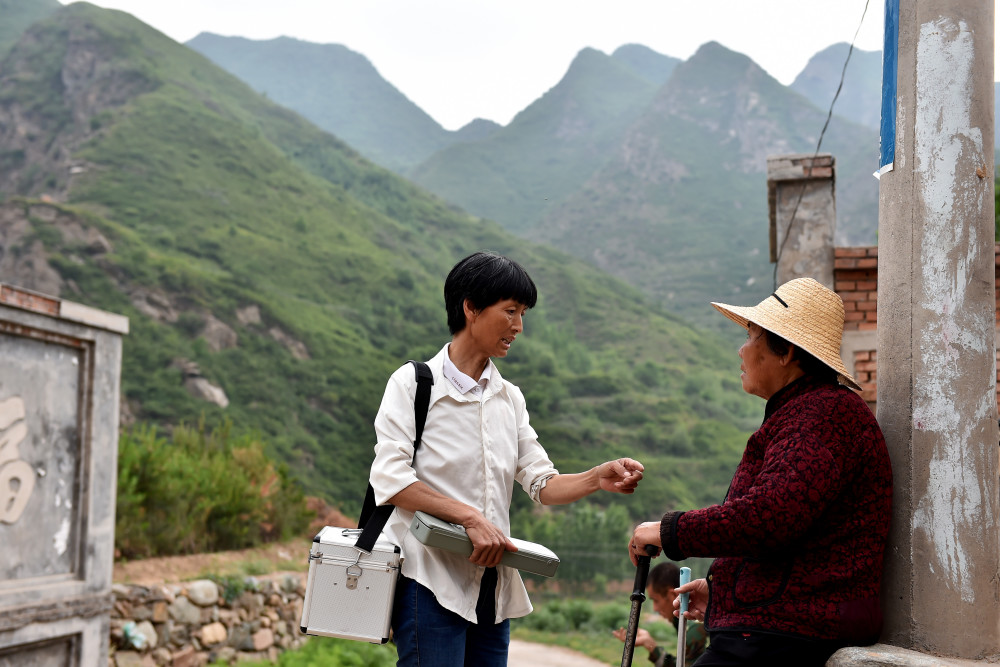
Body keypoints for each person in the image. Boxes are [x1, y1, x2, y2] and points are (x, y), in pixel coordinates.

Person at [370, 250, 645, 667]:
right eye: (511, 311)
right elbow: (390, 480)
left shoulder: (509, 398)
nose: (518, 326)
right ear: (471, 308)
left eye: (523, 314)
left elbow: (542, 483)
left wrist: (596, 477)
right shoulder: (413, 384)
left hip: (492, 588)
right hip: (429, 581)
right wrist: (470, 518)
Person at [628, 277, 893, 667]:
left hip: (788, 632)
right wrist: (726, 593)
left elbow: (769, 517)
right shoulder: (806, 412)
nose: (742, 349)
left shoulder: (821, 415)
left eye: (751, 336)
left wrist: (669, 530)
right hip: (778, 625)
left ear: (786, 352)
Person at [613, 561, 708, 667]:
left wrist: (652, 647)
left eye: (656, 600)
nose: (655, 608)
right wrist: (648, 643)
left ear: (672, 595)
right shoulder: (685, 624)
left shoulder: (693, 629)